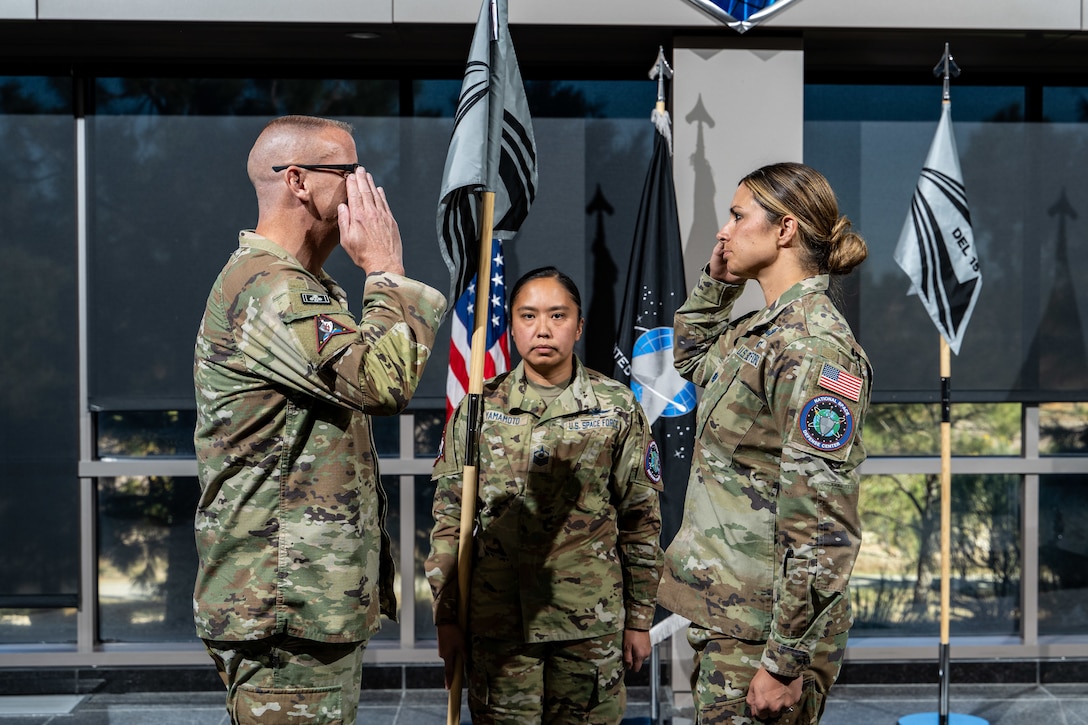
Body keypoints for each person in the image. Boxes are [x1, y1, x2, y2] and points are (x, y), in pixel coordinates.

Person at [193, 115, 447, 724]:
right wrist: (387, 273)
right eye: (350, 172)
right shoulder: (273, 290)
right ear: (299, 181)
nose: (365, 189)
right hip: (285, 608)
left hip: (300, 604)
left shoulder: (300, 286)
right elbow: (384, 382)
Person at [657, 162, 873, 724]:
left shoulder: (813, 347)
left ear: (784, 230)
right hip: (733, 619)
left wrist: (783, 662)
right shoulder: (765, 329)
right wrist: (717, 282)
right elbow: (691, 357)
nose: (723, 232)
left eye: (736, 216)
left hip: (765, 633)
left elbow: (823, 524)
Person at [426, 266, 664, 724]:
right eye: (528, 316)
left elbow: (640, 520)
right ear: (511, 326)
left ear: (578, 325)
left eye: (558, 315)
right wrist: (446, 617)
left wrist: (639, 618)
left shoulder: (616, 408)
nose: (543, 329)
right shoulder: (478, 410)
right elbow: (450, 520)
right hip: (499, 627)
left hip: (589, 628)